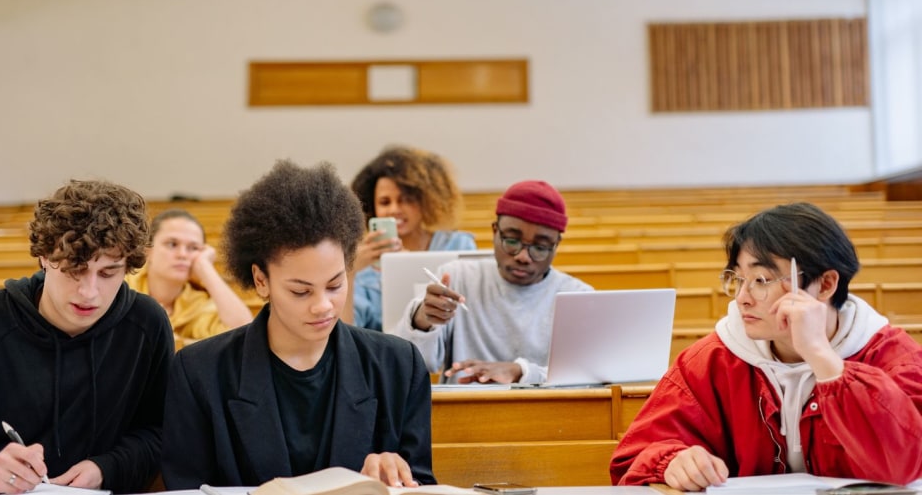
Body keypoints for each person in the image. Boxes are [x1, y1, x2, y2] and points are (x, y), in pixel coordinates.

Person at [160, 160, 435, 489]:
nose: (322, 306)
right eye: (300, 291)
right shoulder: (200, 372)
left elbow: (423, 482)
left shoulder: (398, 365)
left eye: (335, 285)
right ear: (261, 281)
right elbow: (185, 488)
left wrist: (398, 476)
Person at [610, 202, 922, 490]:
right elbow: (633, 457)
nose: (742, 297)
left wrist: (823, 359)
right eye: (738, 279)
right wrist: (672, 461)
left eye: (760, 280)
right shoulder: (712, 359)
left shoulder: (893, 357)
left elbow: (904, 465)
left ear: (825, 284)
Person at [0, 180, 174, 495]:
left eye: (108, 273)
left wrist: (107, 467)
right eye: (74, 269)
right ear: (44, 257)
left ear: (128, 267)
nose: (89, 292)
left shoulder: (146, 324)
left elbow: (162, 434)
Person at [393, 180, 592, 385]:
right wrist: (424, 319)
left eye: (540, 247)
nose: (523, 256)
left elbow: (589, 375)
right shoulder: (456, 277)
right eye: (512, 241)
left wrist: (521, 372)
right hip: (464, 410)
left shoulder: (578, 296)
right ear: (495, 231)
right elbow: (412, 362)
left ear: (556, 245)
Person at [348, 146, 477, 330]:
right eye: (385, 202)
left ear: (426, 201)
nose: (394, 209)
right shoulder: (364, 265)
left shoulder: (458, 245)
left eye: (406, 200)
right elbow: (347, 331)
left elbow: (472, 313)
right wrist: (349, 272)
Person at [126, 208, 253, 341]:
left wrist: (205, 268)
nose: (183, 254)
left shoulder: (195, 304)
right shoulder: (122, 286)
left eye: (193, 248)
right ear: (148, 251)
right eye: (172, 244)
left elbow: (243, 333)